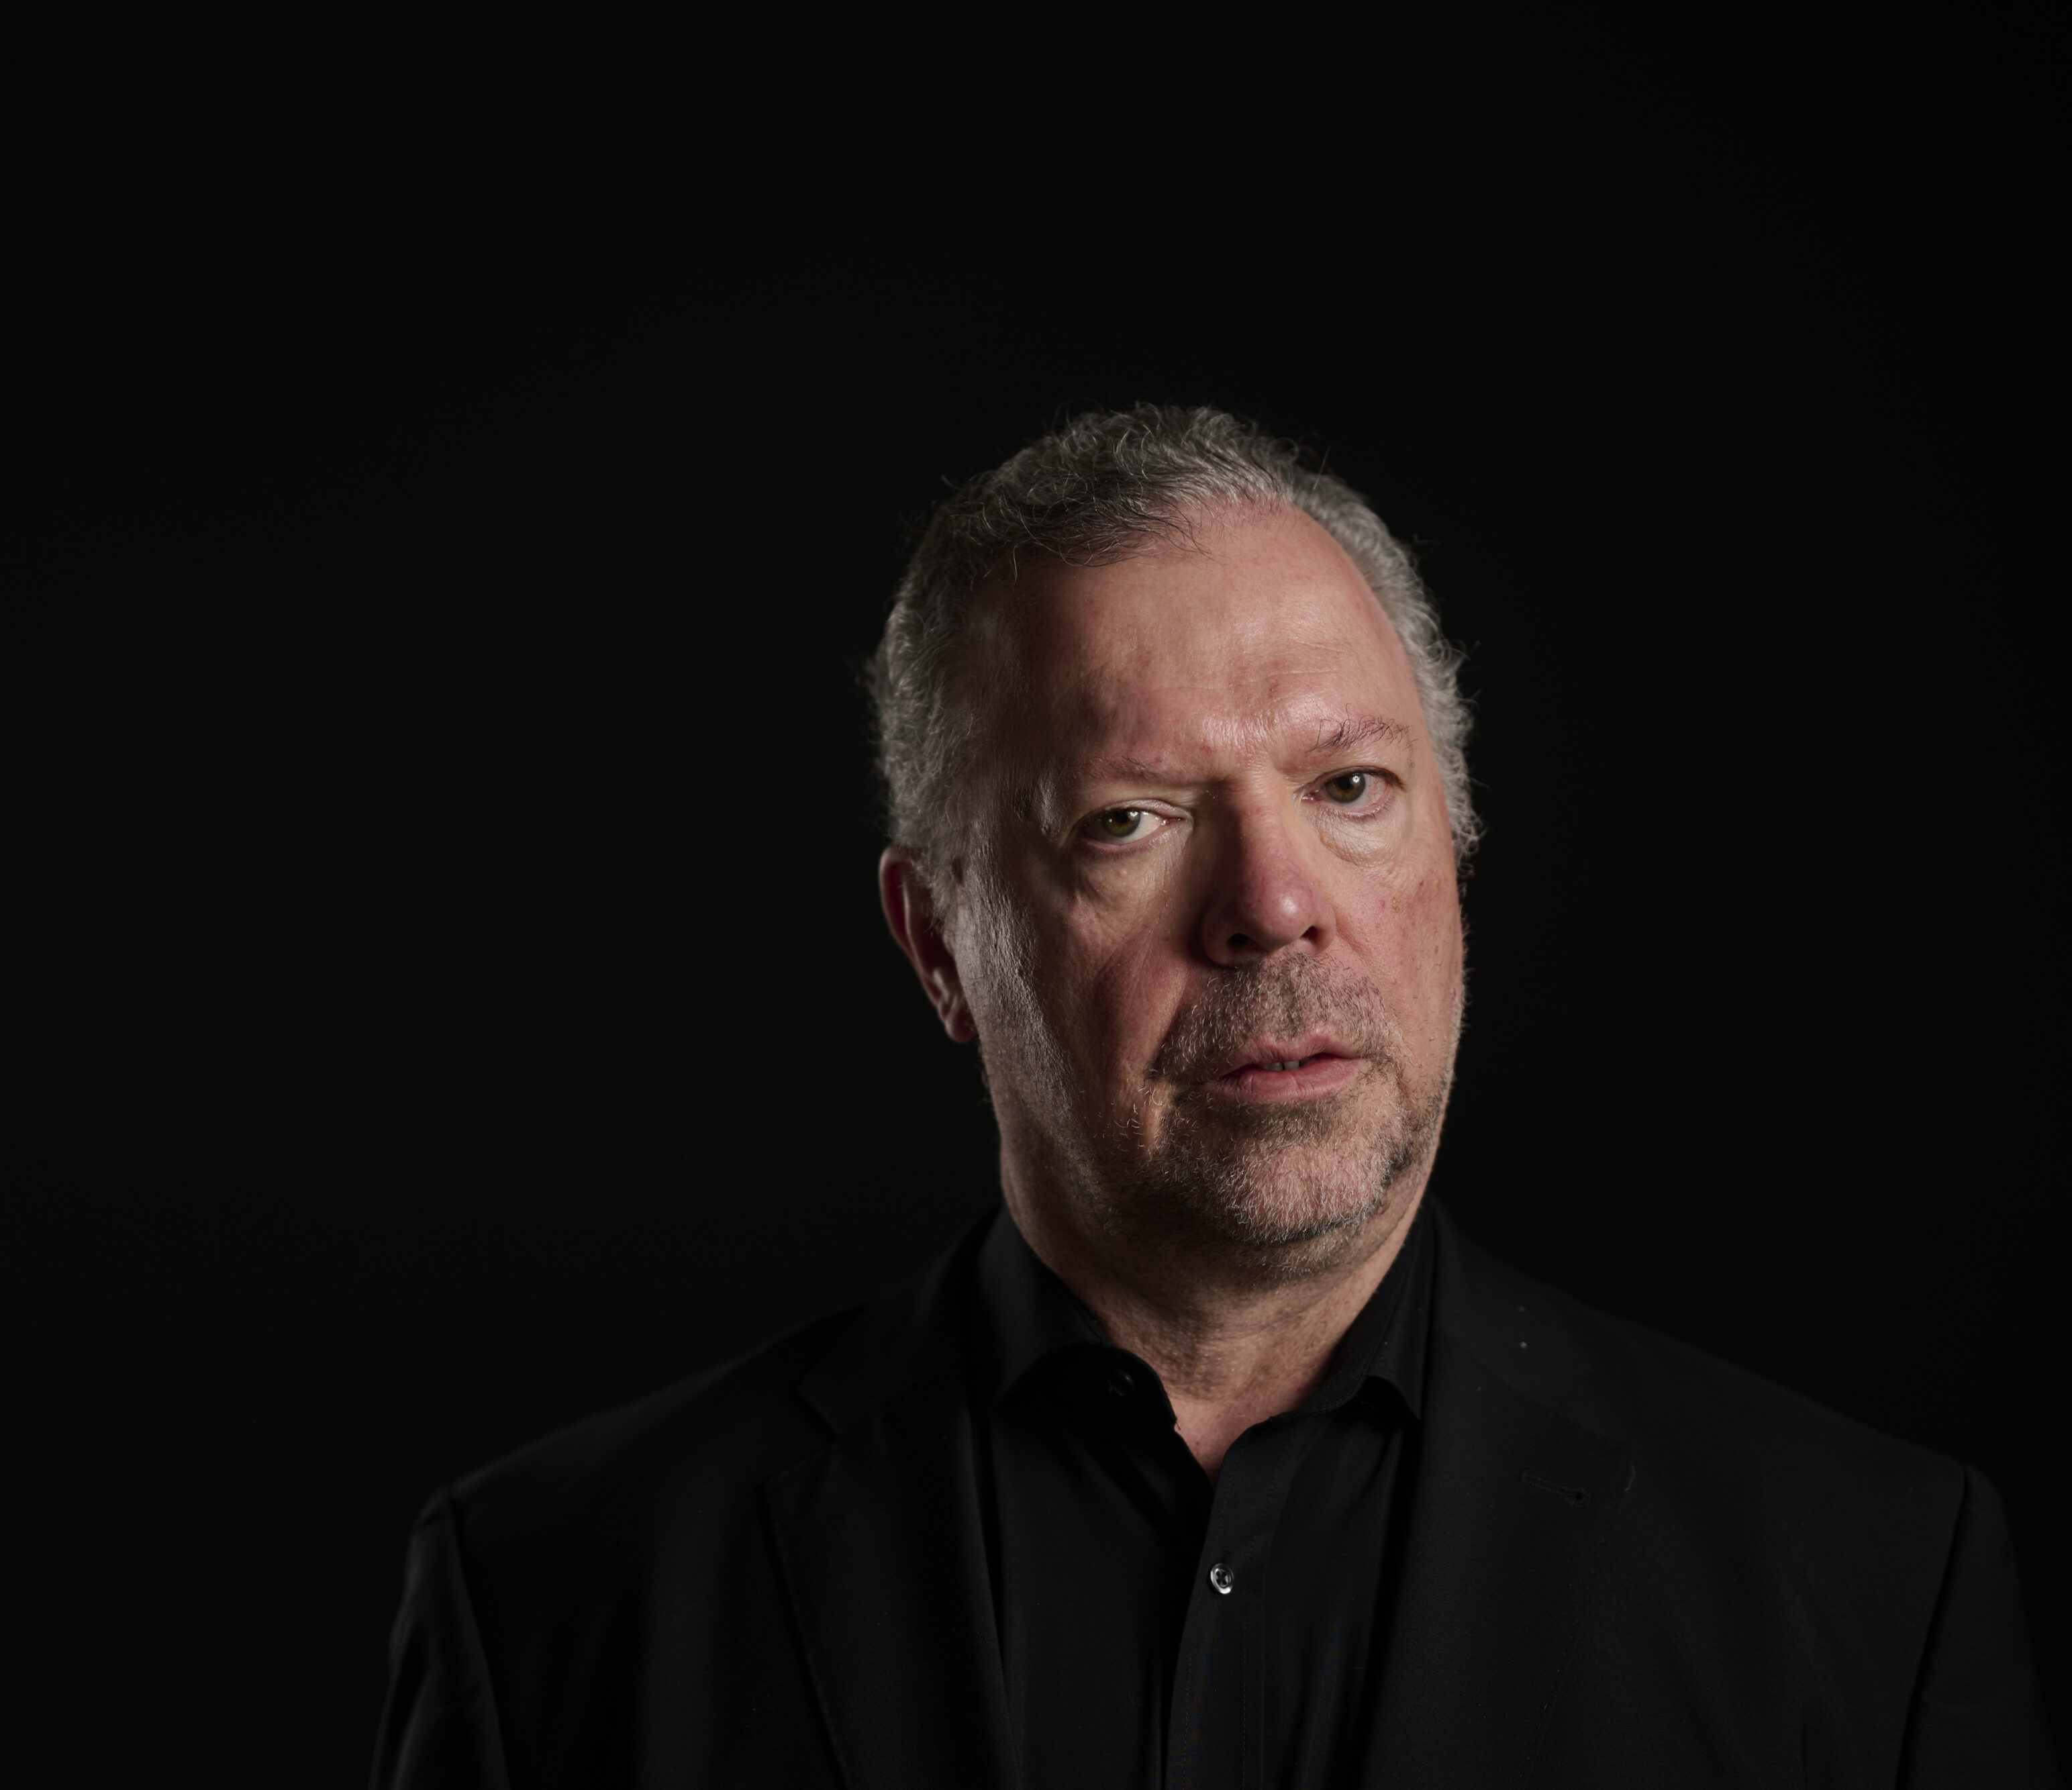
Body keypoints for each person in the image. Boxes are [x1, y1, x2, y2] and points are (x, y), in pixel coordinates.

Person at [369, 405, 2057, 1788]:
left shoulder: (1868, 1591)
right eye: (1130, 818)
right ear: (939, 940)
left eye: (1349, 785)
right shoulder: (556, 1601)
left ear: (1453, 849)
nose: (1273, 900)